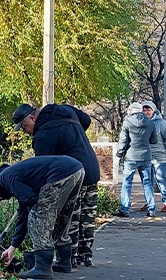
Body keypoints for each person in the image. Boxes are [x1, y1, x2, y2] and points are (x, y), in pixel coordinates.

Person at [12, 102, 101, 267]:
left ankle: (70, 259)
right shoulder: (64, 109)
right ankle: (85, 257)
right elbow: (86, 120)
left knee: (70, 218)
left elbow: (42, 171)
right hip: (92, 167)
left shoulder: (42, 136)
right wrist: (73, 136)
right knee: (87, 218)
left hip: (74, 176)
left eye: (24, 127)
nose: (25, 132)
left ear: (32, 118)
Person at [0, 155, 85, 279]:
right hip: (75, 168)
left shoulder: (5, 178)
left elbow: (31, 202)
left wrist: (38, 217)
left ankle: (42, 269)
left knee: (37, 216)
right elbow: (24, 208)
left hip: (60, 173)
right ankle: (63, 263)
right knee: (61, 217)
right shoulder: (11, 175)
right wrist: (13, 246)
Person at [116, 102, 157, 217]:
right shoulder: (150, 123)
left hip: (131, 157)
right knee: (147, 183)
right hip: (146, 157)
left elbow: (123, 142)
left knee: (127, 183)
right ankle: (152, 209)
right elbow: (154, 140)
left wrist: (119, 154)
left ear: (130, 111)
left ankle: (124, 209)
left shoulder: (127, 123)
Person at [141, 100, 166, 213]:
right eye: (144, 109)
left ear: (153, 110)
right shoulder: (140, 122)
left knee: (160, 178)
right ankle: (149, 202)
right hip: (145, 157)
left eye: (148, 109)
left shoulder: (160, 123)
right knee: (147, 181)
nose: (146, 112)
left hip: (159, 156)